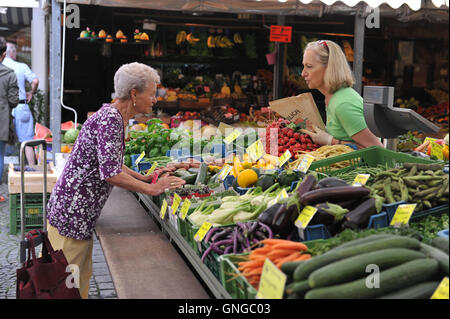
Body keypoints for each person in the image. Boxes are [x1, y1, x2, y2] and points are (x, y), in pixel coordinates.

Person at [46, 62, 186, 299]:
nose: (155, 100)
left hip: (73, 213)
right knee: (67, 289)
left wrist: (141, 177)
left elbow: (109, 161)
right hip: (72, 216)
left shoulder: (111, 115)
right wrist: (152, 189)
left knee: (77, 284)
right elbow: (110, 173)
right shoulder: (111, 120)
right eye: (152, 94)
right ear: (134, 94)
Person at [299, 40, 383, 149]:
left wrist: (330, 140)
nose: (303, 73)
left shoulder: (343, 104)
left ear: (329, 67)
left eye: (309, 66)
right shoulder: (332, 97)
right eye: (304, 66)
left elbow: (377, 149)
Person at [3, 42, 39, 165]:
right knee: (27, 142)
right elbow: (35, 80)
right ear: (12, 53)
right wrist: (31, 93)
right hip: (21, 106)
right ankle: (33, 171)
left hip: (4, 108)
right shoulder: (21, 66)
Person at [0, 37, 19, 201]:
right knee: (0, 156)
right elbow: (13, 100)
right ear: (4, 54)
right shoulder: (9, 74)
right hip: (1, 120)